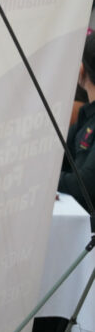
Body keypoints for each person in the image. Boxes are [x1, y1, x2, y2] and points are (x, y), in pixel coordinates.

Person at [59, 32, 95, 208]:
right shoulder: (86, 115)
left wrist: (47, 179)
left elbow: (85, 185)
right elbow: (58, 156)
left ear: (81, 70)